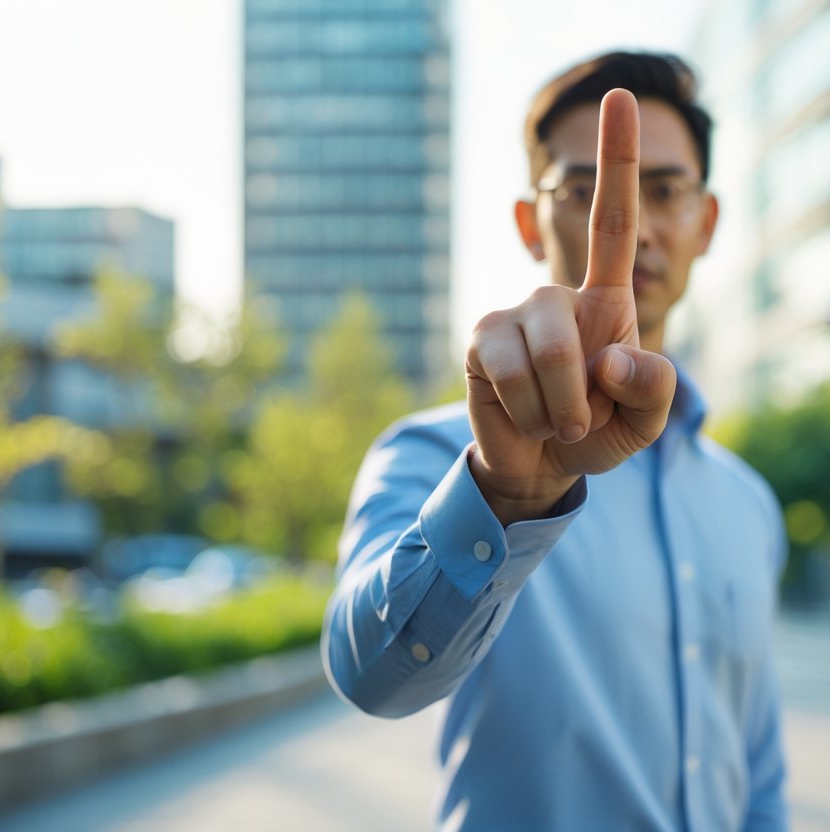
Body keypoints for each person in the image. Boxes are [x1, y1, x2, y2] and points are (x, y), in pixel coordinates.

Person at [323, 51, 788, 831]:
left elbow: (758, 767)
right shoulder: (439, 459)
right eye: (584, 190)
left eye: (665, 190)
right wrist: (505, 499)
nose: (633, 222)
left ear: (705, 224)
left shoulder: (747, 501)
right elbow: (372, 678)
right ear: (527, 222)